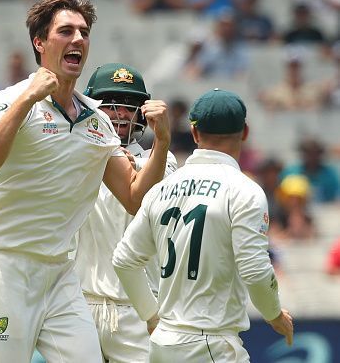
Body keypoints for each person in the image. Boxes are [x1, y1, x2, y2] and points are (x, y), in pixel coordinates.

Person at [0, 0, 171, 362]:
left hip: (59, 272)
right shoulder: (9, 99)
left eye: (84, 32)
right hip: (2, 265)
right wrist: (28, 98)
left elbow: (134, 197)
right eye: (66, 31)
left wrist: (164, 140)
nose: (78, 39)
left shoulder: (97, 120)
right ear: (39, 42)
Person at [112, 88, 294, 362]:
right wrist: (275, 315)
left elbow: (124, 260)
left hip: (164, 344)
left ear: (195, 133)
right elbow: (255, 271)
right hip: (211, 343)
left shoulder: (163, 188)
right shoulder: (244, 190)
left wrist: (152, 317)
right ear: (244, 132)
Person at [74, 63, 178, 362]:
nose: (121, 114)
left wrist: (162, 140)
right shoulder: (78, 152)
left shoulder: (162, 159)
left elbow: (140, 196)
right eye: (111, 106)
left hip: (139, 308)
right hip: (80, 303)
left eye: (130, 106)